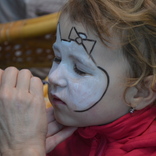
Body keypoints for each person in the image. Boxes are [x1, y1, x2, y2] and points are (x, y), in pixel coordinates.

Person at [0, 0, 156, 155]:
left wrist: (20, 148)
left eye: (80, 70)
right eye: (58, 58)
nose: (53, 77)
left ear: (139, 92)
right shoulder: (70, 122)